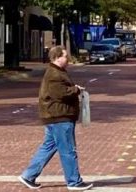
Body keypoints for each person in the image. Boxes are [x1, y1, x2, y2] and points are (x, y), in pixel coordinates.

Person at [18, 46, 92, 191]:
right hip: (59, 116)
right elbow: (60, 93)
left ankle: (28, 175)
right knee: (68, 150)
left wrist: (73, 88)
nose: (68, 59)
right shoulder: (54, 74)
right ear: (57, 57)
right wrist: (76, 89)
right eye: (65, 56)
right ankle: (73, 181)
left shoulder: (57, 72)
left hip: (55, 116)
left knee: (48, 147)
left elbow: (60, 91)